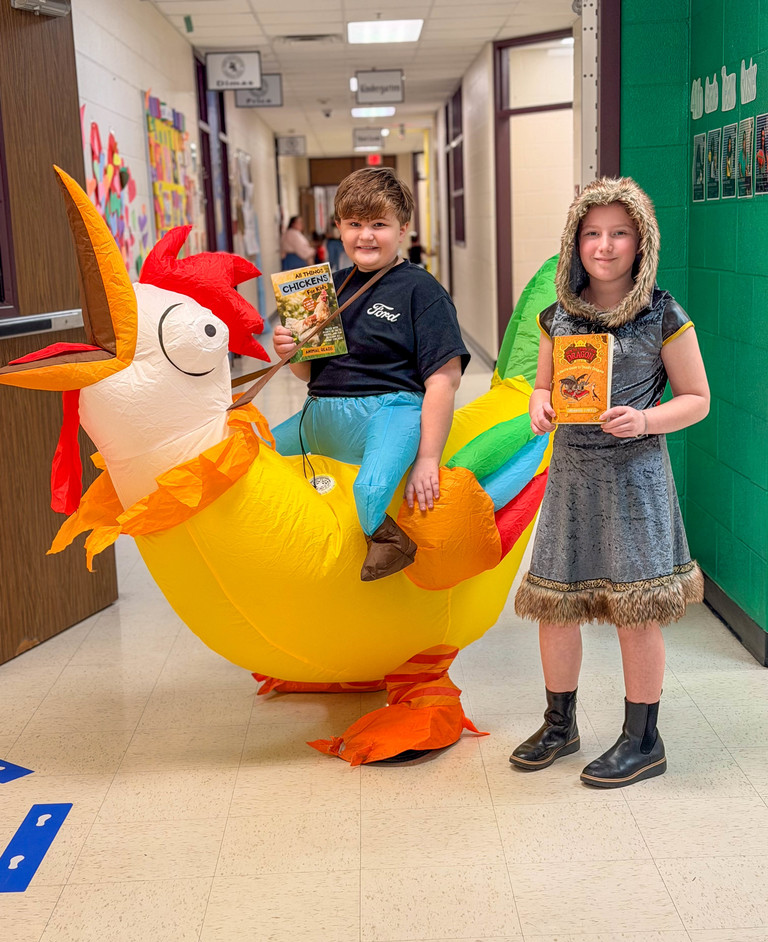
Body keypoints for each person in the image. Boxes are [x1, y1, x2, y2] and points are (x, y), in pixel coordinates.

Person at [510, 177, 709, 789]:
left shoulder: (664, 315)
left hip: (636, 476)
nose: (604, 245)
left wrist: (646, 419)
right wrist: (538, 404)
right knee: (556, 605)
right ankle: (558, 723)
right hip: (571, 476)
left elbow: (698, 400)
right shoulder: (556, 316)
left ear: (640, 241)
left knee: (634, 611)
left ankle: (643, 738)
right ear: (575, 242)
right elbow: (542, 386)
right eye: (592, 233)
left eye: (619, 233)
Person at [271, 166, 470, 582]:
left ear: (403, 230)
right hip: (320, 412)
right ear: (338, 229)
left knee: (371, 489)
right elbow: (310, 374)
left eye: (379, 224)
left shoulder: (422, 289)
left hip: (389, 410)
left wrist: (428, 459)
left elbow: (443, 379)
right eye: (355, 224)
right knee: (257, 454)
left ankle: (390, 543)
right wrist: (291, 352)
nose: (366, 235)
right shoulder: (323, 290)